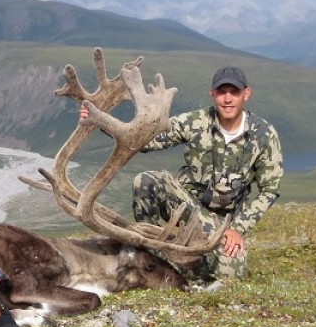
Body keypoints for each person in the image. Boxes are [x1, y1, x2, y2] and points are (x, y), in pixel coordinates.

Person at [80, 65, 283, 283]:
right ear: (212, 94)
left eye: (234, 92)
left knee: (232, 273)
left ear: (246, 94)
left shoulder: (264, 134)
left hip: (223, 224)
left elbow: (269, 190)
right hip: (186, 206)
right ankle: (148, 254)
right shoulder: (195, 121)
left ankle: (177, 260)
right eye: (222, 92)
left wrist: (237, 228)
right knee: (146, 181)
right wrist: (101, 120)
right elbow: (148, 139)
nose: (227, 99)